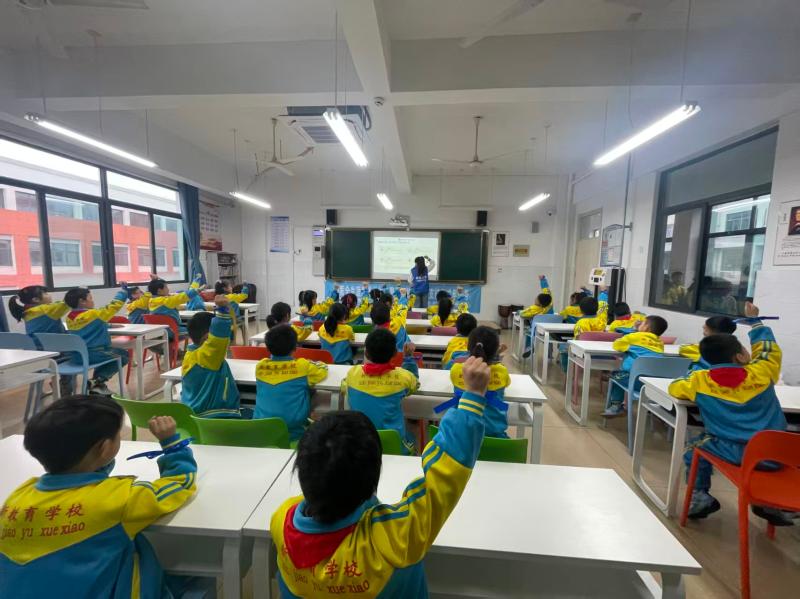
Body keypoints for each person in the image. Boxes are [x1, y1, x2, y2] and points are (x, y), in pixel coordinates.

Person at [271, 355, 490, 597]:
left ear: (303, 472)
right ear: (373, 480)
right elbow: (444, 478)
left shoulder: (281, 521)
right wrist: (473, 396)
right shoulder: (390, 539)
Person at [0, 397, 203, 598]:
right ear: (105, 448)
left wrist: (98, 463)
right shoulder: (122, 498)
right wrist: (172, 444)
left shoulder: (17, 498)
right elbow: (181, 481)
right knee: (195, 579)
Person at [670, 302, 790, 523]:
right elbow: (767, 350)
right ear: (741, 356)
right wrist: (755, 322)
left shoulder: (699, 380)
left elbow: (675, 387)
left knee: (693, 448)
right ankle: (771, 501)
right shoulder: (762, 372)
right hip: (774, 454)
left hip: (731, 451)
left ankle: (700, 495)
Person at [344, 327, 420, 453]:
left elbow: (344, 386)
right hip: (392, 444)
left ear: (366, 353)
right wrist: (408, 358)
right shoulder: (403, 377)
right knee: (412, 437)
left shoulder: (352, 374)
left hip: (360, 443)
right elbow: (415, 384)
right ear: (395, 353)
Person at [255, 324, 329, 441]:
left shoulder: (260, 366)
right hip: (294, 430)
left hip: (261, 428)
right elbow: (322, 370)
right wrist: (317, 363)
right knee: (313, 392)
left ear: (267, 348)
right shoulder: (302, 366)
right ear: (295, 347)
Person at [181, 296, 244, 418]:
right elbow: (218, 338)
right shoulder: (207, 357)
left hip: (196, 415)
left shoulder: (191, 355)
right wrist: (222, 310)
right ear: (207, 338)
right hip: (216, 417)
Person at [442, 326, 511, 438]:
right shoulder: (502, 371)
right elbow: (507, 383)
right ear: (494, 351)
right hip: (495, 438)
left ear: (468, 347)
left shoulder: (457, 369)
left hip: (462, 436)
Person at [64, 285, 129, 395]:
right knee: (124, 356)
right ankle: (97, 381)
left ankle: (97, 385)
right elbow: (113, 306)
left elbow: (86, 326)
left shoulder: (69, 317)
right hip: (95, 354)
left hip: (77, 356)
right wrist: (123, 292)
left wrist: (109, 325)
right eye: (90, 298)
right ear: (82, 301)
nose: (92, 301)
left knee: (113, 354)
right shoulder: (93, 314)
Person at [602, 315, 669, 417]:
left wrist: (634, 331)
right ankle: (651, 407)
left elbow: (617, 345)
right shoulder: (660, 343)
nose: (640, 324)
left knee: (614, 375)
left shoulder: (634, 337)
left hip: (634, 381)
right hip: (652, 384)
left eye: (642, 323)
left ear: (646, 328)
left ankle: (616, 406)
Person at [559, 296, 606, 372]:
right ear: (597, 308)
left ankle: (568, 372)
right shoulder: (601, 321)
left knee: (562, 347)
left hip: (583, 352)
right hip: (599, 351)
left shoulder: (581, 322)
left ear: (581, 309)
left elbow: (578, 338)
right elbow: (604, 306)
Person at [148, 275, 203, 340]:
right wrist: (197, 291)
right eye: (166, 287)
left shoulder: (151, 301)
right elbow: (181, 297)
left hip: (160, 331)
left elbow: (179, 295)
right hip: (172, 330)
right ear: (159, 290)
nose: (168, 289)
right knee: (198, 329)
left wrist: (156, 280)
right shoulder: (166, 301)